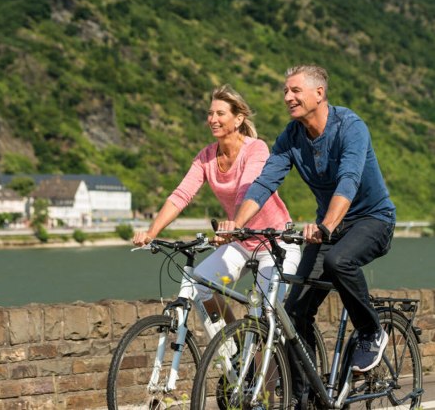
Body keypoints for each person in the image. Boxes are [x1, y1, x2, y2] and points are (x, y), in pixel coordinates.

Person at [221, 65, 395, 404]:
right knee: (294, 313)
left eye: (295, 90)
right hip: (329, 226)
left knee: (338, 260)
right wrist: (237, 227)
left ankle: (372, 332)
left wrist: (327, 224)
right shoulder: (291, 136)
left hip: (373, 219)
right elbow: (265, 182)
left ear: (319, 94)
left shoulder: (350, 127)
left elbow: (349, 179)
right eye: (285, 91)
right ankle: (306, 399)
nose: (287, 97)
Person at [133, 84, 301, 326]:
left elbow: (249, 187)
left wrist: (233, 225)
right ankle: (234, 351)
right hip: (241, 241)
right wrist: (151, 233)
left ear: (238, 118)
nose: (213, 119)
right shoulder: (206, 157)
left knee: (265, 314)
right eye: (210, 114)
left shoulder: (256, 148)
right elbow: (181, 194)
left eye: (220, 114)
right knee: (200, 284)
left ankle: (271, 360)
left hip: (275, 241)